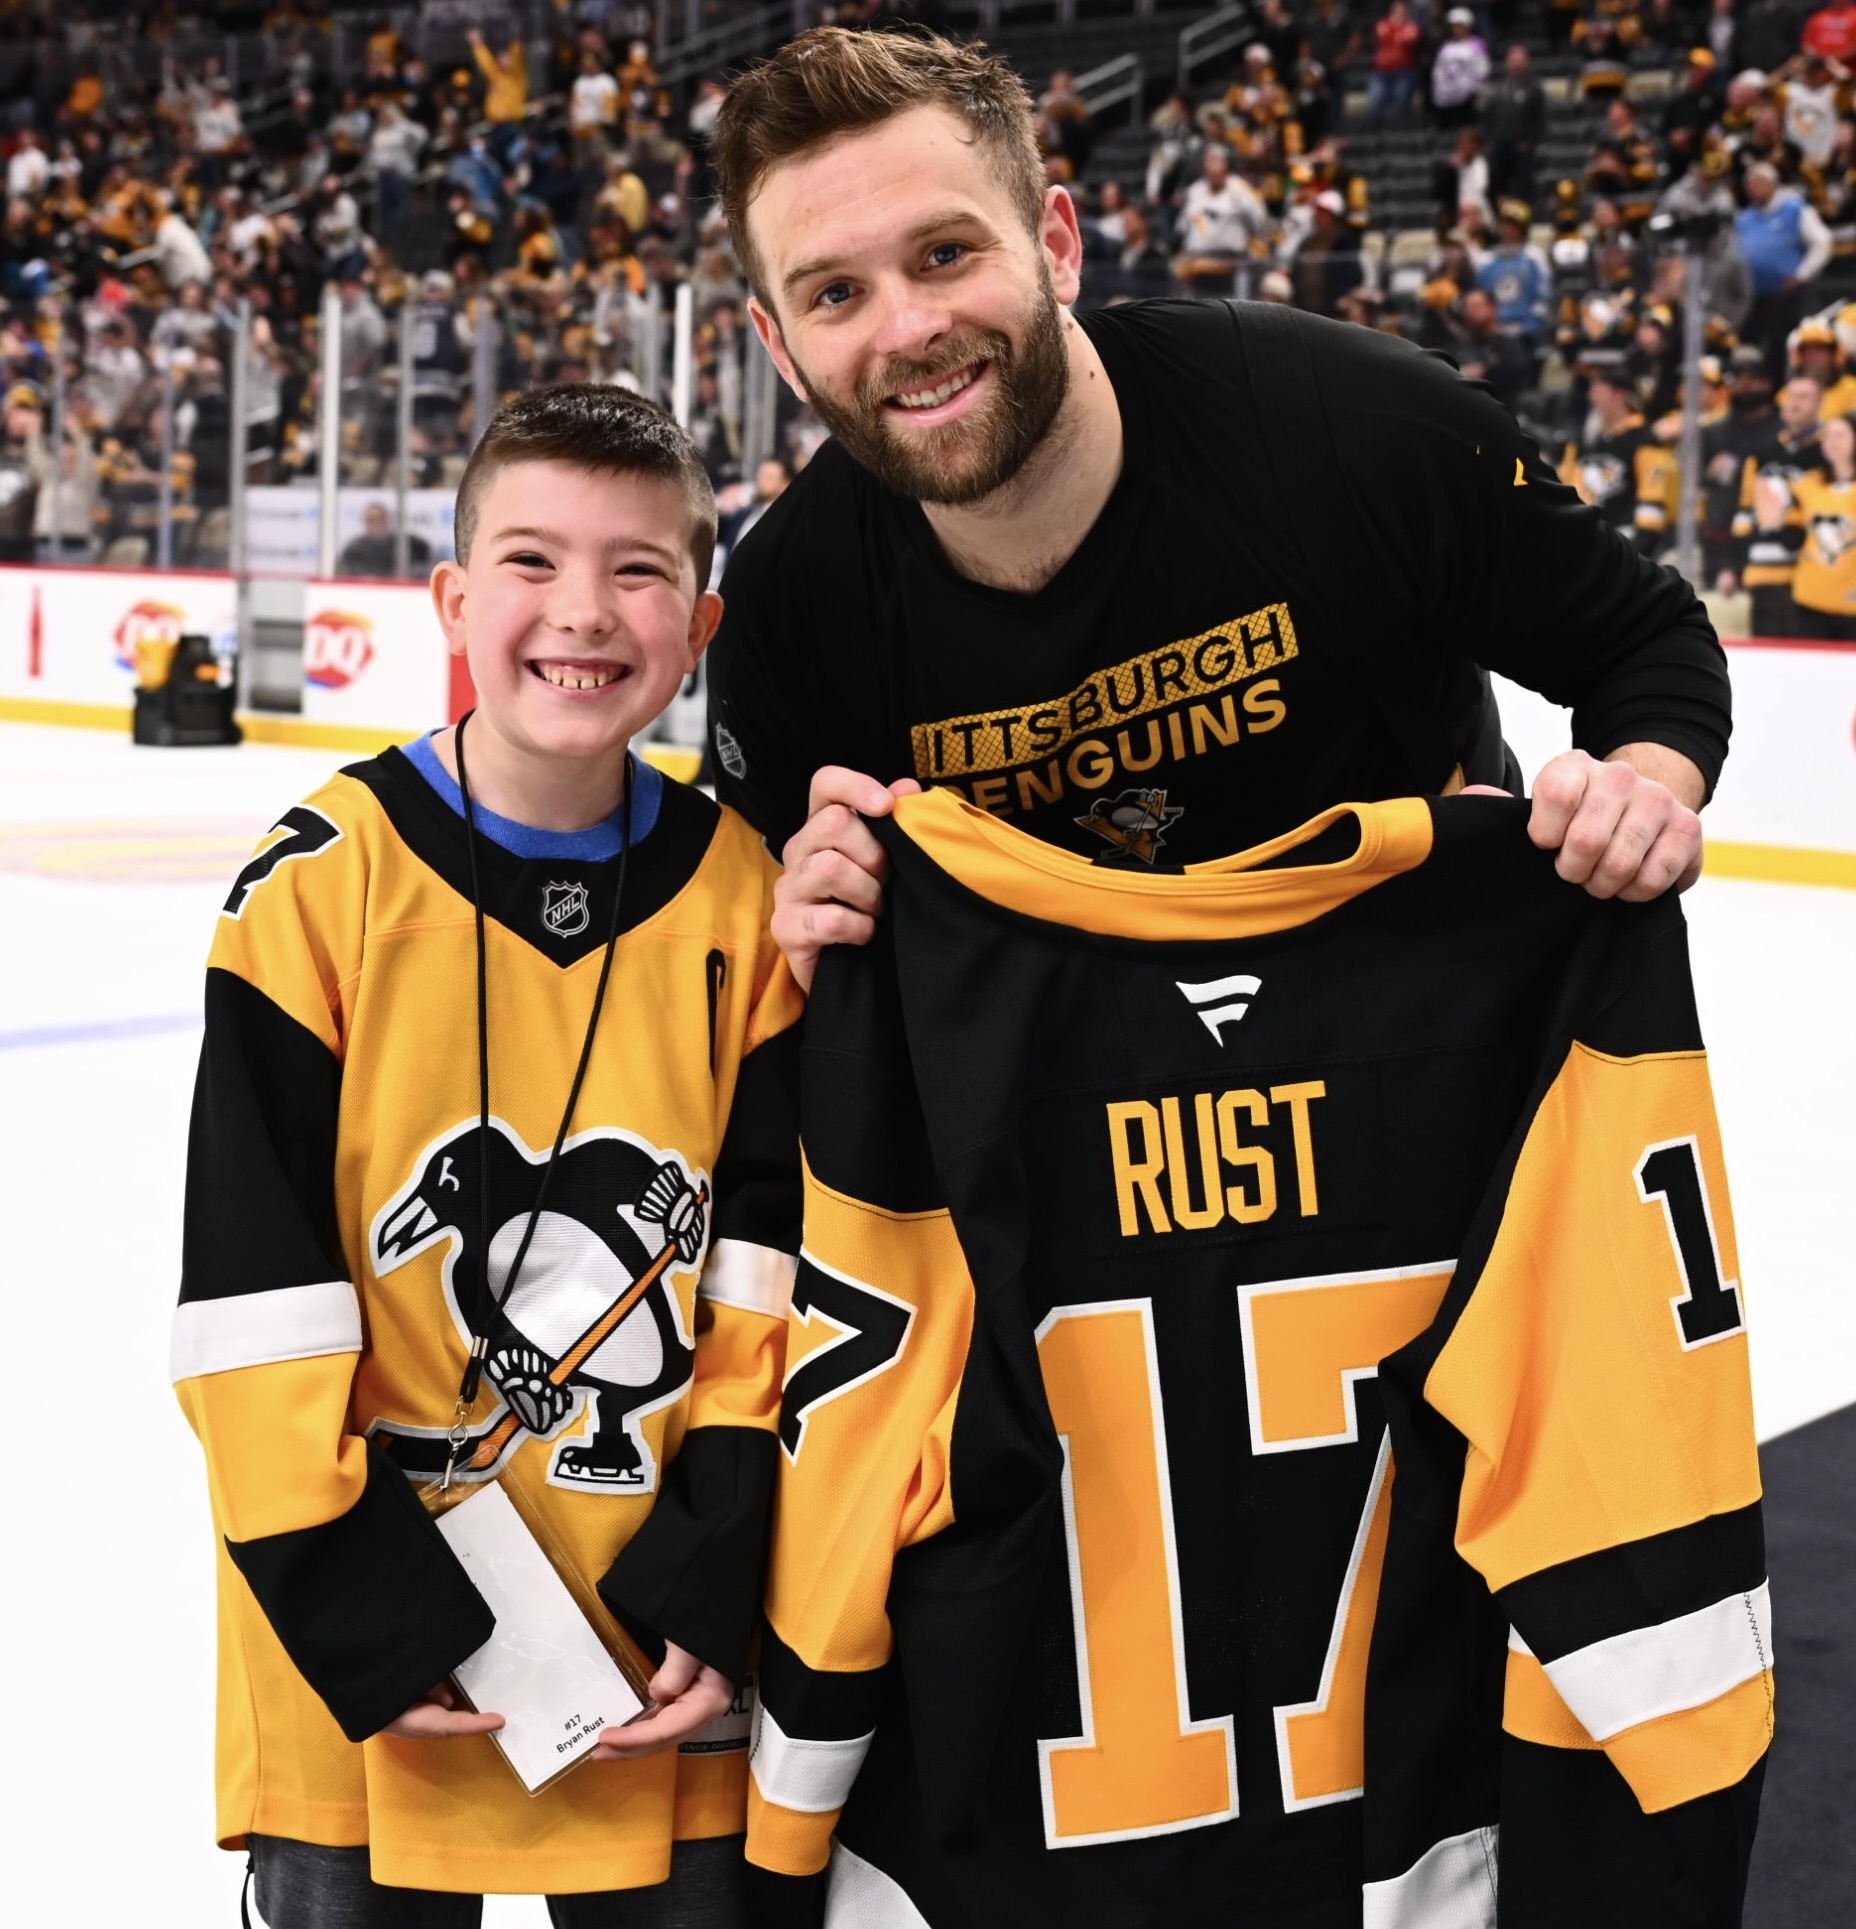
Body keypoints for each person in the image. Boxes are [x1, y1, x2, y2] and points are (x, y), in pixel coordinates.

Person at [703, 24, 1747, 1923]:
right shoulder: (789, 606)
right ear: (779, 346)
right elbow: (787, 922)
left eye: (946, 254)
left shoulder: (1346, 428)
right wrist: (807, 899)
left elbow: (1651, 647)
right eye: (834, 291)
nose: (906, 327)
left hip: (1401, 1166)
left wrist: (1643, 792)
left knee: (1418, 1670)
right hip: (1080, 1228)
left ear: (1062, 238)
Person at [173, 387, 801, 1923]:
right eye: (531, 561)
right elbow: (252, 1298)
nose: (582, 611)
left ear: (700, 620)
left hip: (655, 1644)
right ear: (454, 599)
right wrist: (348, 1599)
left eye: (639, 572)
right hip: (372, 1645)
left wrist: (713, 1561)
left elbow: (766, 1270)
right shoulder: (318, 887)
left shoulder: (743, 899)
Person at [1782, 407, 1856, 634]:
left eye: (1840, 435)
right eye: (1827, 436)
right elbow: (1790, 536)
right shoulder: (1807, 484)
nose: (1831, 442)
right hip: (1811, 599)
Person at [339, 498, 434, 577]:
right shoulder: (354, 550)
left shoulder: (412, 544)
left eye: (379, 518)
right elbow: (347, 573)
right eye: (370, 520)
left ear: (387, 518)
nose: (375, 523)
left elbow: (424, 566)